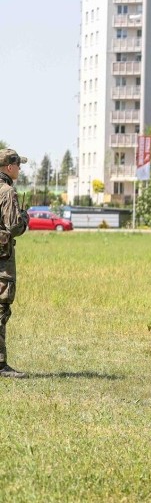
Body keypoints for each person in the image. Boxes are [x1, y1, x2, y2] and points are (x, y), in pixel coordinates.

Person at [0, 149, 30, 378]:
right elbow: (14, 227)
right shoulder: (8, 192)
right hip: (2, 261)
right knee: (1, 308)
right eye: (18, 165)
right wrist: (24, 218)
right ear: (9, 167)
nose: (20, 168)